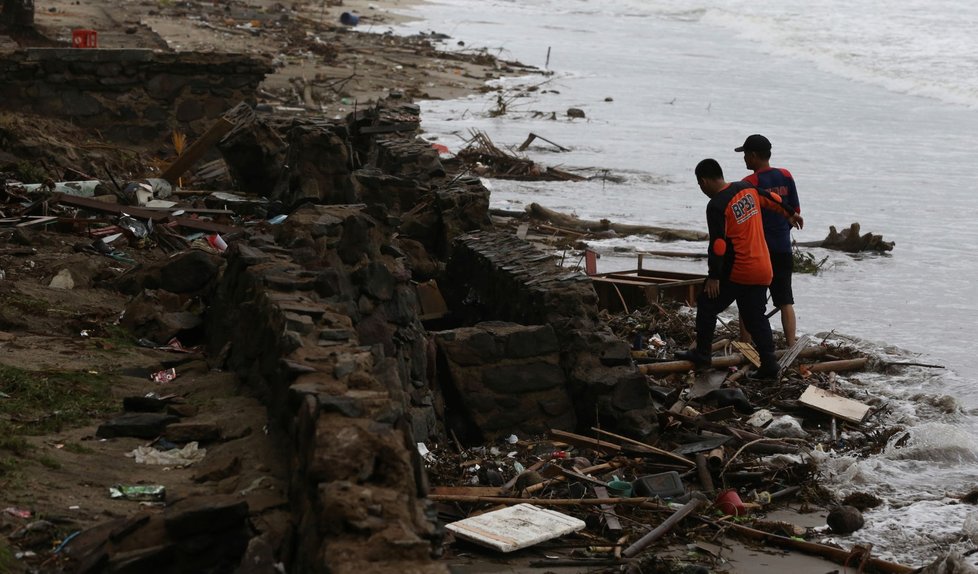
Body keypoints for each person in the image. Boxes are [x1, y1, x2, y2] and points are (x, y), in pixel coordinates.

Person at [676, 158, 803, 379]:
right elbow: (771, 199)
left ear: (704, 181)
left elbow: (718, 244)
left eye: (699, 185)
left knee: (707, 304)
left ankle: (703, 355)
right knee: (755, 316)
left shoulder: (716, 204)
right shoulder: (746, 188)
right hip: (763, 268)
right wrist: (790, 213)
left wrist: (714, 277)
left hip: (739, 270)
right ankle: (770, 365)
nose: (701, 189)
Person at [735, 134, 801, 347]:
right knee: (785, 301)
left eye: (745, 155)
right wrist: (781, 230)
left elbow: (744, 220)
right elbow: (794, 212)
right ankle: (791, 345)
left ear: (753, 156)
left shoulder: (748, 183)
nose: (744, 159)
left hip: (758, 252)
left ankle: (745, 345)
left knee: (748, 301)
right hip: (783, 248)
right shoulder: (786, 175)